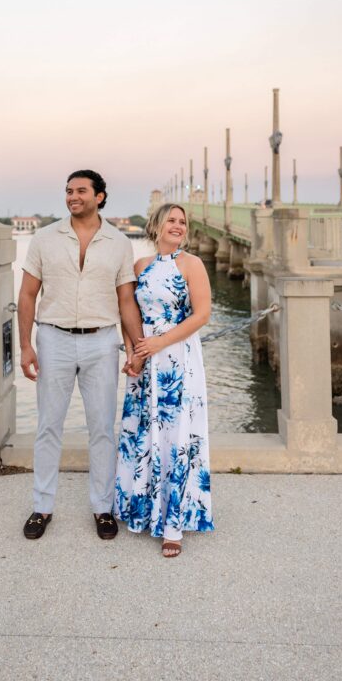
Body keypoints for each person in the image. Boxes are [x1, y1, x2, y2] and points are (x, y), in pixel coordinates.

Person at [18, 169, 144, 541]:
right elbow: (27, 295)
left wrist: (136, 348)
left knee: (103, 428)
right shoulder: (44, 239)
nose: (73, 196)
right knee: (48, 427)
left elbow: (126, 300)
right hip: (53, 338)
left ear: (100, 196)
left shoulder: (119, 243)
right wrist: (26, 344)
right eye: (69, 191)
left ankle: (102, 509)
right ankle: (42, 507)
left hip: (102, 341)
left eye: (81, 191)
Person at [114, 203, 214, 557]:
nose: (178, 226)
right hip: (145, 356)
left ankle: (173, 524)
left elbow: (202, 314)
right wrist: (133, 353)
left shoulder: (192, 264)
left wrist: (160, 342)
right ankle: (141, 508)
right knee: (142, 430)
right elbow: (129, 314)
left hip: (178, 358)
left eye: (182, 222)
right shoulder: (140, 266)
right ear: (156, 226)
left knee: (175, 434)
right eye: (171, 220)